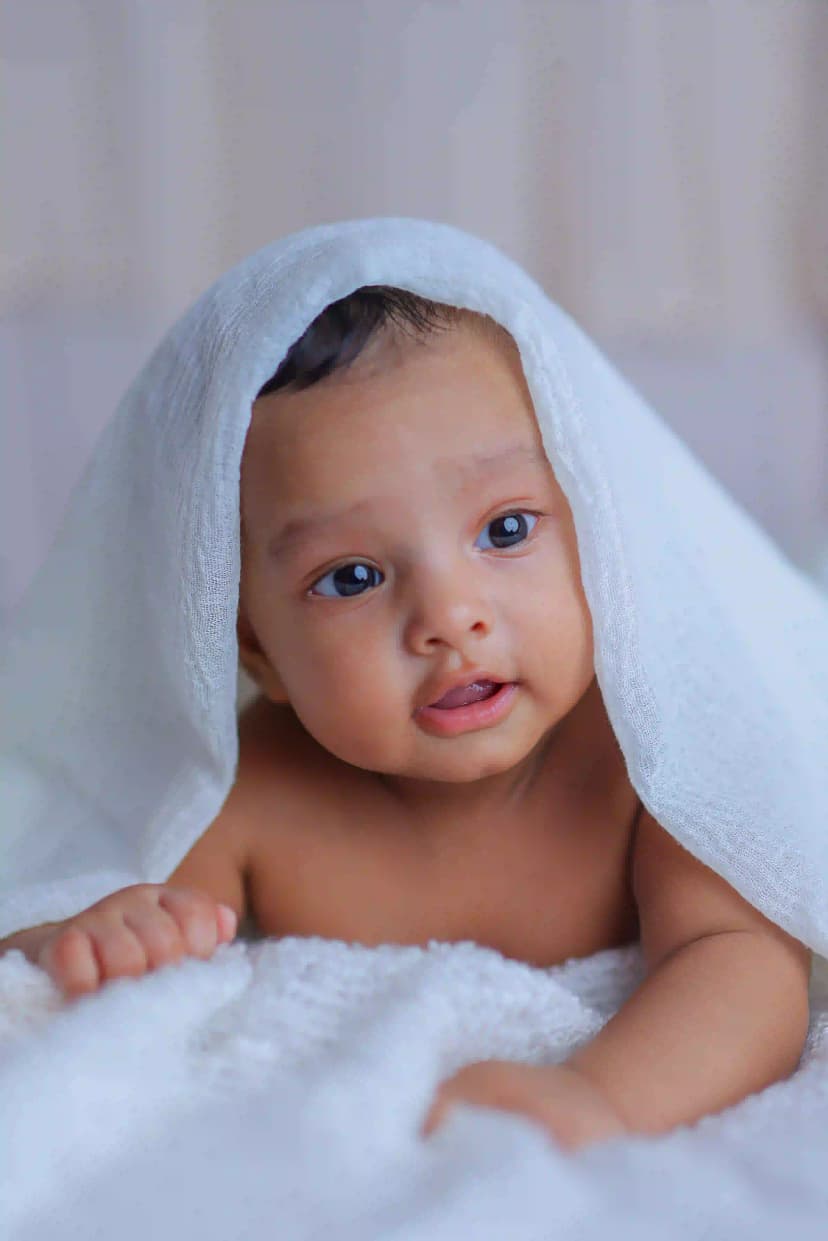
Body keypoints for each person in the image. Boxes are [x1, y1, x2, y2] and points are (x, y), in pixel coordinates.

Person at [0, 283, 812, 1152]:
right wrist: (89, 932)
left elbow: (744, 964)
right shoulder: (245, 794)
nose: (448, 616)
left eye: (505, 528)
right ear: (253, 648)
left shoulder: (656, 752)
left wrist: (599, 1099)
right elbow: (109, 914)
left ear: (600, 521)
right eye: (352, 576)